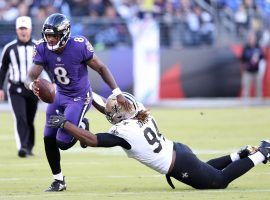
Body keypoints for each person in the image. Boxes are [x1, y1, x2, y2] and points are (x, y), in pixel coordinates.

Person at [48, 92, 270, 190]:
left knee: (219, 181)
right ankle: (239, 154)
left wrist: (65, 124)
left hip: (177, 163)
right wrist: (89, 97)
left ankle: (263, 152)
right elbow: (110, 110)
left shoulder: (124, 132)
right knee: (206, 169)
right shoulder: (141, 112)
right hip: (179, 151)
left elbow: (93, 139)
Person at [24, 13, 131, 192]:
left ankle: (82, 123)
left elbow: (101, 68)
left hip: (79, 97)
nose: (50, 39)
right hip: (58, 94)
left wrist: (117, 92)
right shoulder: (42, 48)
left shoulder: (79, 45)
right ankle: (58, 180)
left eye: (54, 35)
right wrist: (31, 86)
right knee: (48, 137)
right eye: (48, 35)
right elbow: (30, 76)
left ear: (64, 34)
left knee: (63, 143)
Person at [0, 16, 39, 158]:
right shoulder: (9, 48)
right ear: (17, 30)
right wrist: (0, 88)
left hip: (33, 88)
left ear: (30, 29)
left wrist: (53, 81)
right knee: (21, 117)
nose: (23, 31)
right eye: (21, 29)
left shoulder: (37, 47)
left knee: (30, 118)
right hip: (15, 88)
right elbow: (3, 69)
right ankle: (22, 147)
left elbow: (47, 65)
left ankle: (29, 146)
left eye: (25, 28)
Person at [241, 31, 265, 99]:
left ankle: (258, 107)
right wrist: (248, 61)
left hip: (257, 72)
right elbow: (242, 58)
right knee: (246, 91)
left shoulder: (258, 47)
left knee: (258, 91)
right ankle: (245, 107)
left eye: (252, 38)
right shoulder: (246, 47)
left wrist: (258, 57)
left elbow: (262, 58)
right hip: (248, 72)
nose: (251, 40)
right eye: (250, 38)